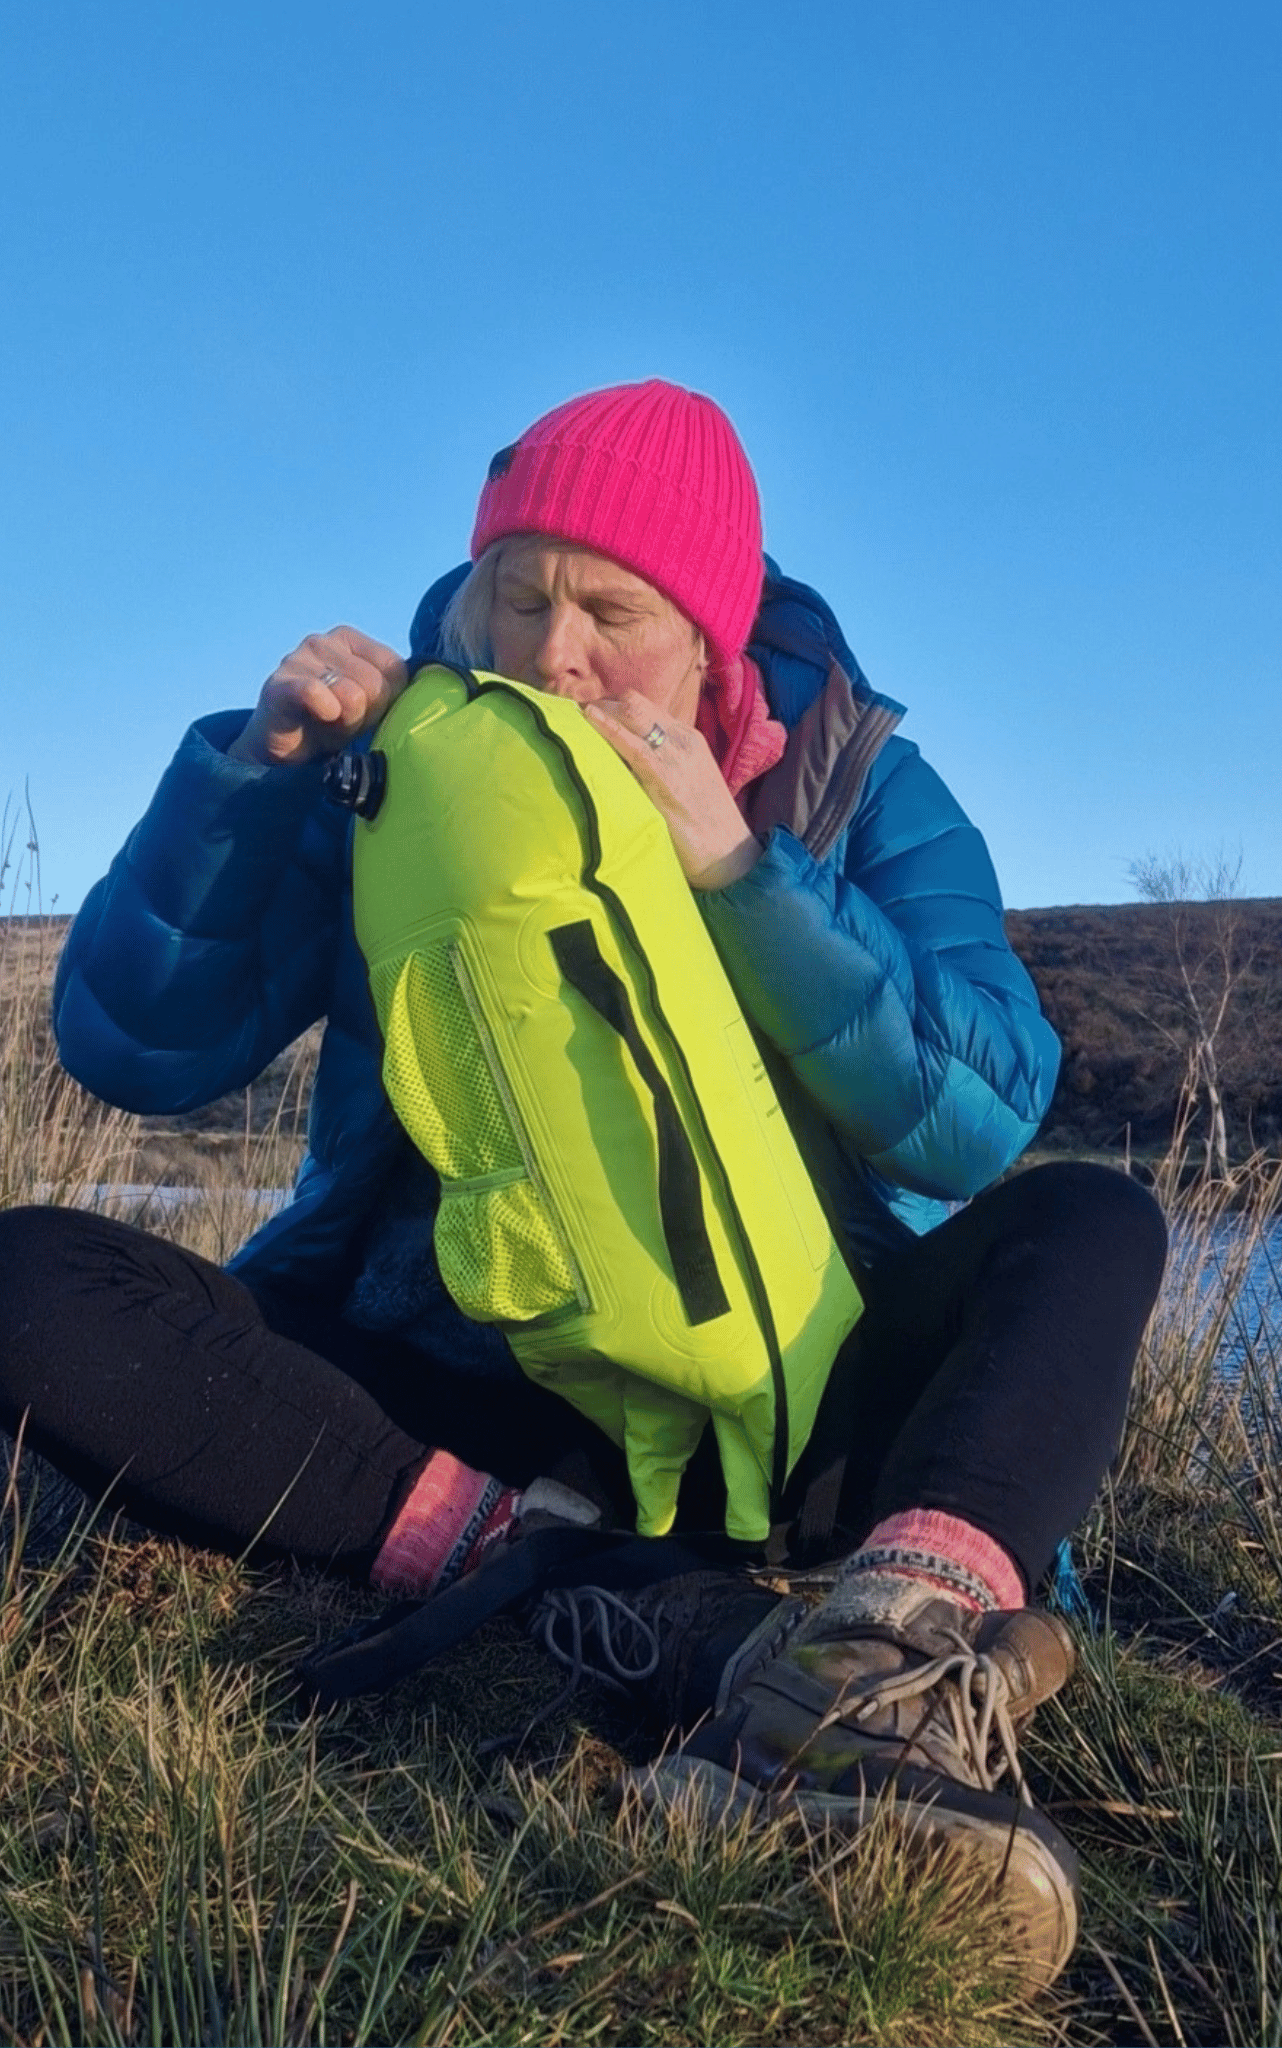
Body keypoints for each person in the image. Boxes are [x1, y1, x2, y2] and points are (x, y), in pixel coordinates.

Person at [0, 380, 1166, 1984]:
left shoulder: (858, 780)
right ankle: (591, 1590)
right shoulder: (388, 762)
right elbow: (136, 1050)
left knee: (1095, 1221)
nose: (553, 653)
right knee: (35, 1280)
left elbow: (973, 1121)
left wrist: (743, 877)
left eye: (610, 612)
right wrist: (253, 783)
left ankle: (877, 1646)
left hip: (789, 1403)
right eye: (518, 597)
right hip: (455, 1379)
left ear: (709, 637)